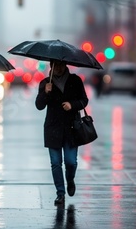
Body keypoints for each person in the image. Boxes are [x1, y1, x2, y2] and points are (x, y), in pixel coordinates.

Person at [35, 60, 88, 205]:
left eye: (60, 65)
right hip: (53, 128)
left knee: (71, 162)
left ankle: (70, 179)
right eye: (55, 65)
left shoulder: (75, 80)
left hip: (71, 128)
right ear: (51, 66)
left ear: (65, 65)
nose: (58, 68)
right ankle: (60, 193)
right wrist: (45, 92)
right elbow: (39, 105)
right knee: (56, 163)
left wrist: (72, 105)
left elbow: (84, 100)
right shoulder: (45, 83)